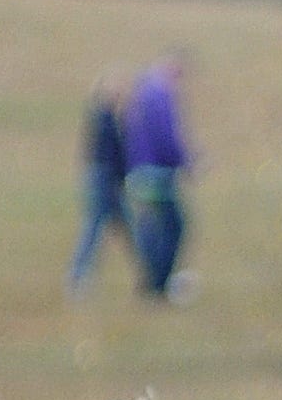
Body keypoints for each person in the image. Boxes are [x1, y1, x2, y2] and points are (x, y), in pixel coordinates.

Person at [124, 57, 194, 301]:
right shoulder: (159, 96)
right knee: (173, 226)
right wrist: (187, 163)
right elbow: (166, 138)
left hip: (138, 171)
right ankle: (159, 284)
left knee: (150, 225)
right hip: (157, 174)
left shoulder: (141, 94)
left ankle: (150, 284)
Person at [68, 80, 133, 297]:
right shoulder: (105, 121)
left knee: (127, 227)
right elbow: (113, 156)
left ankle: (153, 275)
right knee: (96, 227)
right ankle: (78, 278)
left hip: (103, 179)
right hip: (105, 181)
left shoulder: (104, 118)